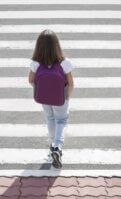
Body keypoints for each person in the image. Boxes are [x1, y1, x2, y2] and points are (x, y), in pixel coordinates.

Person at [28, 29, 74, 168]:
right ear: (56, 45)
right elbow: (71, 83)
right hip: (60, 98)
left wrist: (42, 89)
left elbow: (31, 80)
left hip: (44, 97)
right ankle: (57, 147)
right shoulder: (64, 63)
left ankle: (53, 143)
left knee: (50, 118)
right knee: (61, 120)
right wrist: (67, 96)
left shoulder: (36, 63)